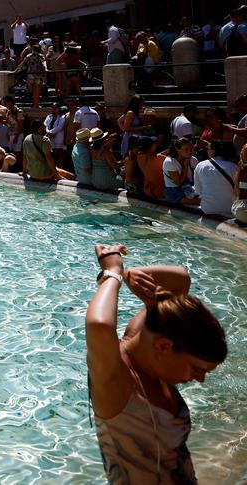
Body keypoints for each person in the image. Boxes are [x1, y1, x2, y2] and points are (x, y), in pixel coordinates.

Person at [86, 245, 227, 483]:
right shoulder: (118, 381)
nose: (200, 380)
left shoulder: (147, 347)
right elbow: (99, 325)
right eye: (197, 369)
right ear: (164, 346)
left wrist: (136, 275)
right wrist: (114, 272)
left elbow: (181, 279)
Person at [193, 140, 237, 218]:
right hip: (229, 209)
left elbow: (198, 190)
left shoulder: (201, 165)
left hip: (207, 209)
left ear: (213, 151)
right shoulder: (234, 167)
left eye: (208, 148)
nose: (207, 150)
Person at [161, 138, 198, 206]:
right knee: (200, 201)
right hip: (174, 192)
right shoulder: (169, 162)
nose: (190, 151)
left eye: (191, 149)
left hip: (189, 187)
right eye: (186, 149)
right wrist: (185, 166)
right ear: (178, 150)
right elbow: (178, 183)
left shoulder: (193, 160)